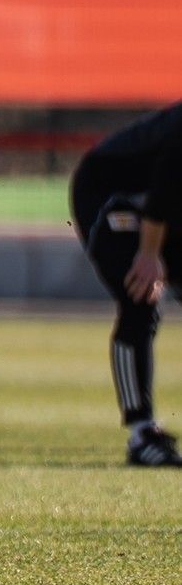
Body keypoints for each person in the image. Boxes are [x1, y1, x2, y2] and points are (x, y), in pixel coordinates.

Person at [70, 100, 182, 466]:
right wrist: (149, 254)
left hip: (158, 205)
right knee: (141, 295)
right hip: (108, 192)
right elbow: (167, 180)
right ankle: (142, 433)